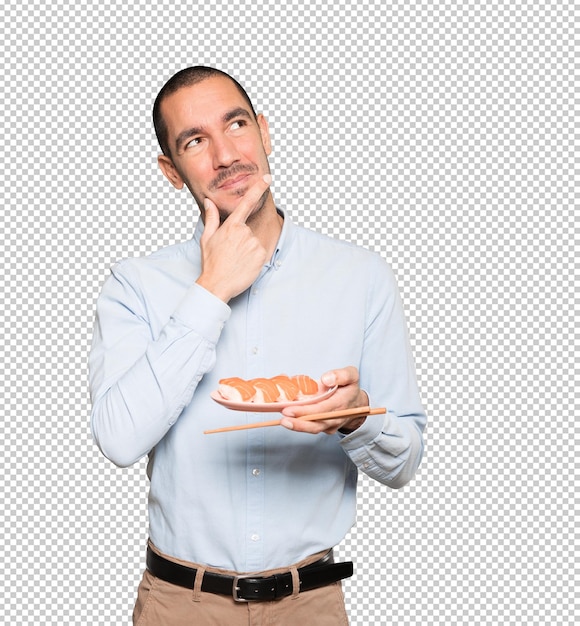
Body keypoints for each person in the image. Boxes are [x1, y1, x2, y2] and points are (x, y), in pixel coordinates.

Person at [89, 66, 426, 625]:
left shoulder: (360, 276)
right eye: (195, 141)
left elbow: (404, 461)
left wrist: (354, 418)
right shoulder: (135, 285)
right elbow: (119, 440)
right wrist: (212, 289)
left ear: (265, 133)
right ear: (171, 172)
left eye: (236, 124)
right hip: (181, 606)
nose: (225, 155)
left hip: (310, 606)